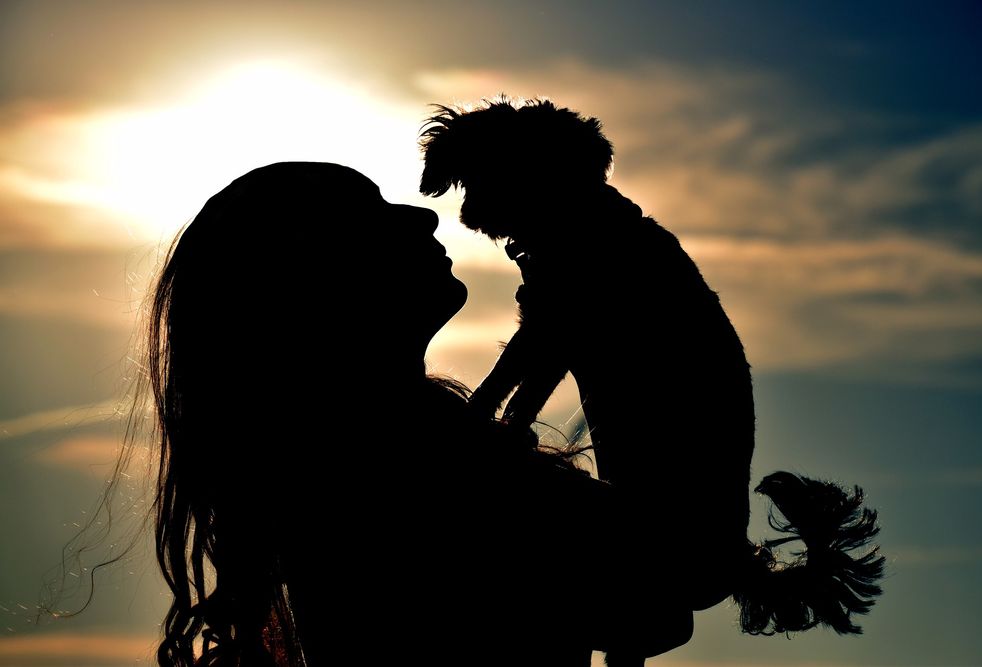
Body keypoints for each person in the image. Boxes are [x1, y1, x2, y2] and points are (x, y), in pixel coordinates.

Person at [134, 161, 883, 667]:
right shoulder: (406, 460)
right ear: (310, 277)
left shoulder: (366, 451)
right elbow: (663, 594)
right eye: (370, 214)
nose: (422, 215)